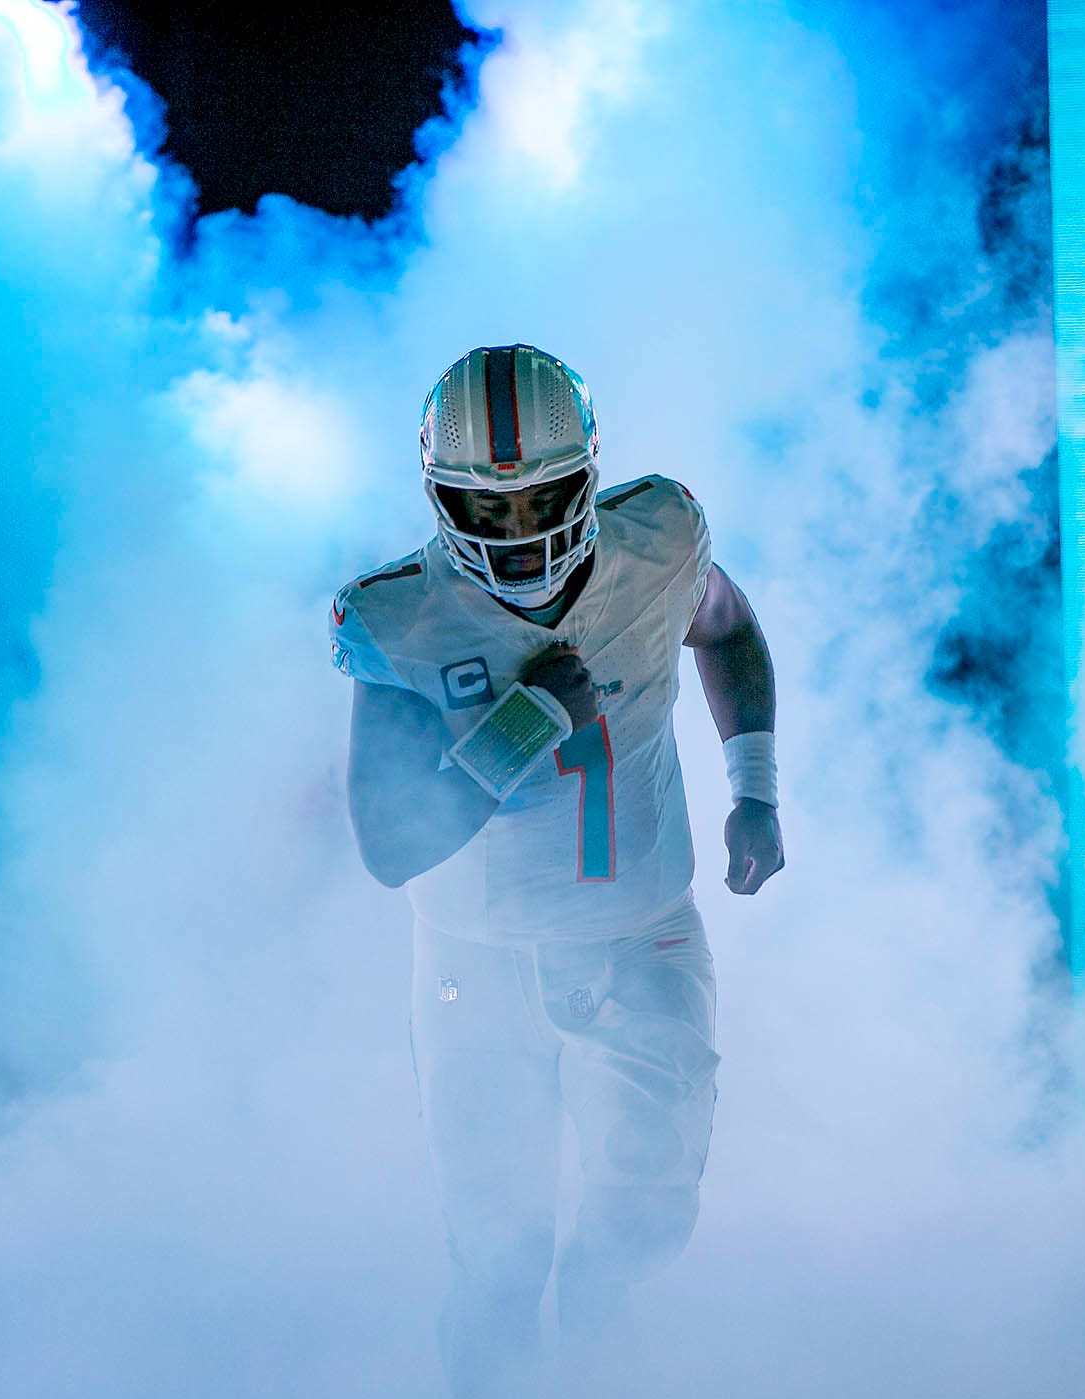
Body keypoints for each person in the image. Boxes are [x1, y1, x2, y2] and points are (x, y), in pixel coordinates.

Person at [330, 344, 784, 1395]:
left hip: (644, 930)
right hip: (476, 960)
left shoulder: (659, 540)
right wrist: (526, 723)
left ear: (589, 475)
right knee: (496, 1252)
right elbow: (387, 844)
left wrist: (753, 783)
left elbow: (727, 626)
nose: (519, 529)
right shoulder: (399, 615)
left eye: (541, 496)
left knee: (646, 1220)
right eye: (485, 511)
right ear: (439, 502)